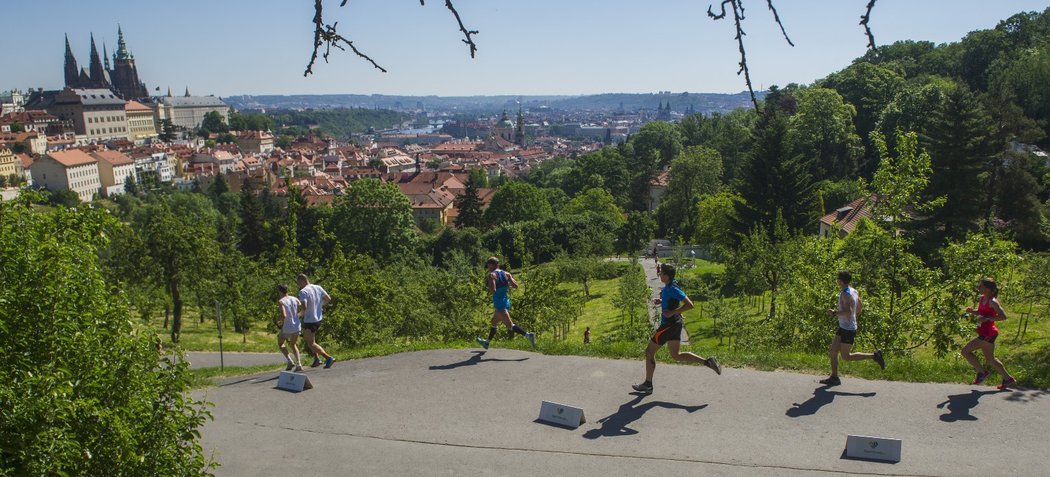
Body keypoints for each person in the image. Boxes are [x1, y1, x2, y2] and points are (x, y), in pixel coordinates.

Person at [632, 264, 721, 394]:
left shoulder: (673, 288)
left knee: (649, 352)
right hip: (675, 324)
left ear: (667, 276)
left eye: (661, 273)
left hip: (668, 325)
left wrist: (673, 312)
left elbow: (690, 305)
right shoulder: (670, 287)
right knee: (676, 355)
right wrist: (661, 301)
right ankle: (708, 362)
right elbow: (672, 301)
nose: (660, 275)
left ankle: (648, 384)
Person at [820, 270, 885, 386]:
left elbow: (848, 312)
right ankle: (834, 377)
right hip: (844, 327)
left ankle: (875, 356)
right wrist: (853, 319)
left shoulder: (845, 294)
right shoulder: (854, 291)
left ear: (840, 281)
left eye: (837, 279)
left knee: (846, 357)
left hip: (847, 330)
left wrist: (834, 313)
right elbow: (860, 307)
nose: (836, 281)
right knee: (833, 351)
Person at [962, 277, 1016, 389]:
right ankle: (1008, 379)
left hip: (988, 333)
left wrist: (987, 319)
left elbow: (1003, 316)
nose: (979, 288)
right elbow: (981, 313)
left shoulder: (993, 302)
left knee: (965, 351)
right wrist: (973, 311)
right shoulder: (982, 298)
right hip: (985, 332)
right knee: (990, 359)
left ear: (987, 288)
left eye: (981, 286)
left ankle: (982, 373)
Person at [476, 257, 536, 350]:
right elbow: (515, 286)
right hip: (506, 301)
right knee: (493, 322)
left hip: (499, 304)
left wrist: (490, 281)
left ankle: (528, 335)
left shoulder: (492, 274)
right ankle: (486, 343)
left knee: (510, 326)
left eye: (488, 265)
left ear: (492, 265)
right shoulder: (506, 274)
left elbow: (493, 290)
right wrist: (506, 282)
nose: (488, 267)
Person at [297, 273, 335, 369]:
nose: (299, 286)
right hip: (318, 318)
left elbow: (304, 307)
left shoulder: (303, 291)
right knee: (310, 339)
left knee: (310, 343)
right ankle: (317, 359)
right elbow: (328, 299)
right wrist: (319, 306)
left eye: (299, 283)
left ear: (302, 281)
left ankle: (328, 358)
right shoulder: (318, 287)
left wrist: (298, 314)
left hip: (310, 319)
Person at [275, 284, 303, 372]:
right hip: (297, 325)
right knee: (293, 344)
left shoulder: (281, 301)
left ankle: (289, 360)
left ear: (280, 291)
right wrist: (297, 315)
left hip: (288, 326)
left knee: (280, 343)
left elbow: (284, 315)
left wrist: (279, 319)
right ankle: (298, 363)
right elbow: (302, 308)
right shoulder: (295, 298)